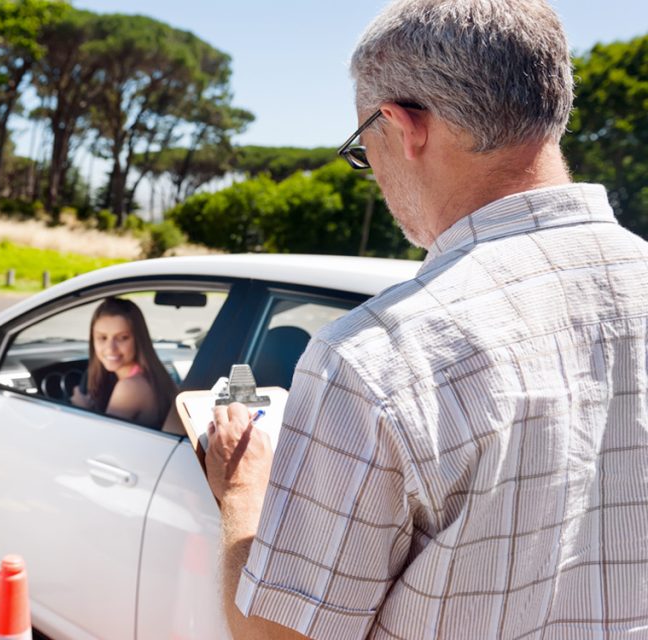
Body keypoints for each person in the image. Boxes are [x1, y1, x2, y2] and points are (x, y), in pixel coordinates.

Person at [206, 1, 648, 638]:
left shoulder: (375, 358)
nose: (373, 171)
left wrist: (244, 491)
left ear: (403, 125)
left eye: (364, 147)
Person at [71, 297, 177, 429]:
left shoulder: (129, 388)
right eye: (102, 338)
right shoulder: (152, 375)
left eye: (122, 338)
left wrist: (82, 408)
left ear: (138, 340)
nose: (110, 348)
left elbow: (102, 440)